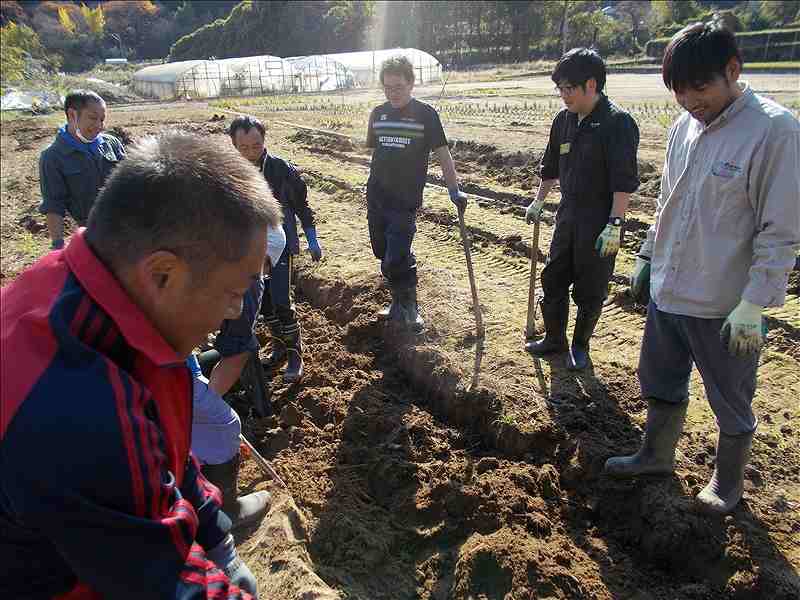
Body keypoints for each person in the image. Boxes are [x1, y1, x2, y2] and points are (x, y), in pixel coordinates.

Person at [1, 132, 282, 598]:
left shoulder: (109, 295)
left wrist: (215, 536)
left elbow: (164, 450)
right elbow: (160, 584)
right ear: (162, 273)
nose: (233, 313)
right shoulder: (76, 406)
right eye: (233, 293)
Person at [604, 23, 800, 514]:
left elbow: (780, 229)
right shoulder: (683, 129)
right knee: (660, 379)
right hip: (670, 288)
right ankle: (655, 454)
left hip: (724, 301)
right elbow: (669, 201)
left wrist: (755, 302)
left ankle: (727, 484)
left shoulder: (773, 131)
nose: (690, 100)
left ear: (733, 71)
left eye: (700, 87)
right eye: (679, 91)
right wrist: (649, 255)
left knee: (730, 395)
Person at [525, 48, 640, 370]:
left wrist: (615, 223)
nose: (563, 96)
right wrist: (539, 199)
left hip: (600, 220)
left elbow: (623, 181)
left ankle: (580, 346)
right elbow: (550, 167)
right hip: (568, 214)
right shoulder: (563, 121)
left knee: (591, 287)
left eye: (569, 89)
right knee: (554, 277)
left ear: (591, 85)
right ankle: (554, 338)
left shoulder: (617, 123)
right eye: (559, 89)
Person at [186, 224, 286, 530]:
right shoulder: (249, 279)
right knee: (223, 422)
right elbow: (237, 348)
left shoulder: (197, 248)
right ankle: (224, 510)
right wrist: (204, 403)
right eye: (264, 268)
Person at [366, 55, 468, 332]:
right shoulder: (378, 113)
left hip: (404, 200)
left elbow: (443, 155)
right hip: (376, 198)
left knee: (397, 255)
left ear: (411, 83)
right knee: (383, 253)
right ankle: (397, 303)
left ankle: (410, 307)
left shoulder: (425, 115)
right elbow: (376, 154)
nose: (393, 93)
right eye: (387, 87)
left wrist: (454, 190)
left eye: (398, 86)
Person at [229, 115, 321, 384]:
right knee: (264, 303)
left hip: (280, 246)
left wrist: (312, 238)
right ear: (233, 146)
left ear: (264, 140)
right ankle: (279, 346)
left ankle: (295, 355)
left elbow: (303, 206)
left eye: (255, 145)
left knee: (281, 301)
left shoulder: (282, 169)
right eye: (242, 147)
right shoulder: (230, 172)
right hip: (247, 249)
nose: (249, 152)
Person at [39, 89, 125, 250]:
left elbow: (130, 182)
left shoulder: (111, 144)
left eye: (102, 119)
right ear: (72, 115)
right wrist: (57, 246)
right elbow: (53, 205)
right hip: (92, 234)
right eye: (93, 118)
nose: (99, 126)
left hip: (126, 225)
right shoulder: (52, 157)